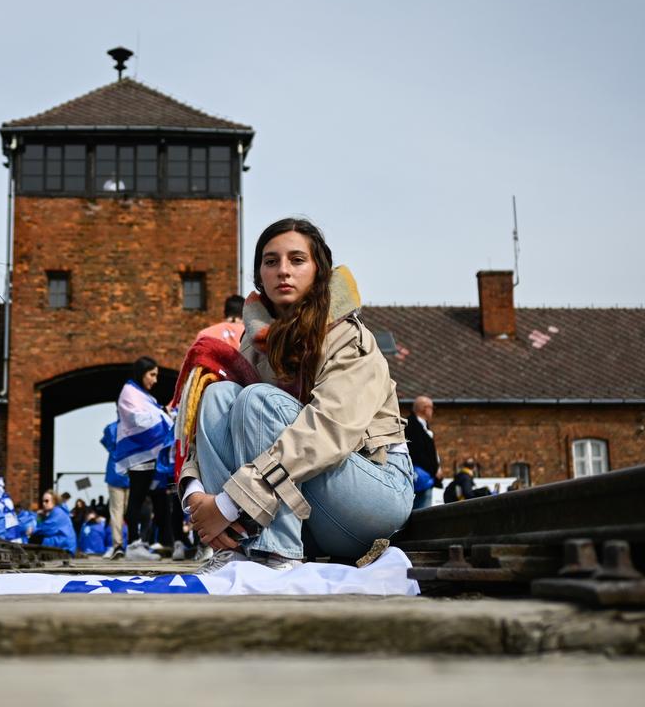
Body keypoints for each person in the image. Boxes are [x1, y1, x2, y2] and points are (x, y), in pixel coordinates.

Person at [179, 217, 414, 573]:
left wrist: (227, 504)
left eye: (297, 260)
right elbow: (218, 428)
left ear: (319, 271)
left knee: (258, 401)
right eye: (271, 261)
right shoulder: (255, 343)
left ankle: (275, 555)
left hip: (372, 493)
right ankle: (236, 548)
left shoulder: (349, 338)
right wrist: (196, 492)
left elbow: (329, 433)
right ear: (260, 275)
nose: (283, 271)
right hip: (306, 509)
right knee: (220, 396)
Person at [113, 357, 176, 562]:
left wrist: (163, 414)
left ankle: (167, 542)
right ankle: (133, 543)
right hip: (139, 456)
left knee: (159, 498)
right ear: (142, 373)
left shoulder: (142, 395)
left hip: (150, 456)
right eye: (152, 375)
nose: (155, 380)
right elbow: (137, 420)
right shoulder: (129, 393)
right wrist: (163, 416)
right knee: (137, 499)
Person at [100, 420, 129, 558]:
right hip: (131, 472)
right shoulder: (134, 427)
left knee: (116, 512)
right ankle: (135, 542)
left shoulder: (110, 428)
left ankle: (118, 545)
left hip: (114, 472)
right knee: (132, 510)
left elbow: (106, 444)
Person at [405, 395, 440, 509]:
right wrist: (433, 470)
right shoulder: (411, 425)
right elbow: (417, 452)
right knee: (421, 512)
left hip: (426, 476)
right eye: (432, 408)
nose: (432, 411)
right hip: (420, 477)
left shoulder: (424, 425)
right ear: (425, 408)